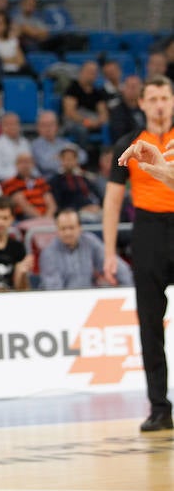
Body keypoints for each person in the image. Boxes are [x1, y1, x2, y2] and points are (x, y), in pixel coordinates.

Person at [103, 74, 174, 433]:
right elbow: (113, 202)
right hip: (147, 231)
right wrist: (110, 251)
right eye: (154, 98)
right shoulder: (129, 143)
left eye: (165, 97)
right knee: (150, 325)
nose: (160, 104)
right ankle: (160, 407)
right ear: (142, 103)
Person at [41, 209, 133, 291]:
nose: (67, 233)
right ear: (57, 230)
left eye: (71, 228)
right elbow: (53, 289)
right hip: (63, 302)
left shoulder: (89, 241)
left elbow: (116, 266)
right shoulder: (49, 252)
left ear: (79, 228)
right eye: (63, 229)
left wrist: (129, 288)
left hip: (89, 296)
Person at [49, 144, 103, 222]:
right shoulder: (56, 180)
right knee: (89, 219)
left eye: (72, 159)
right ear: (61, 160)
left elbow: (97, 194)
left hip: (91, 209)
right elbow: (59, 204)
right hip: (72, 213)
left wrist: (98, 206)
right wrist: (80, 209)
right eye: (66, 159)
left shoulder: (83, 177)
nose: (69, 162)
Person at [2, 151, 57, 221]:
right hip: (23, 219)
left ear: (33, 164)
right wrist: (41, 220)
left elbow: (51, 204)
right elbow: (23, 205)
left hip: (46, 218)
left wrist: (47, 218)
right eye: (21, 162)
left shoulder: (41, 182)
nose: (25, 165)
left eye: (28, 162)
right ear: (16, 164)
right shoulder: (10, 183)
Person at [31, 110, 86, 178]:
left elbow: (83, 156)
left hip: (70, 178)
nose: (48, 128)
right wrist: (70, 160)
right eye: (44, 125)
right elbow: (45, 164)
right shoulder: (35, 146)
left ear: (57, 126)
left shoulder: (63, 142)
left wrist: (59, 158)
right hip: (50, 181)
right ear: (38, 127)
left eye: (51, 124)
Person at [0, 112, 32, 182]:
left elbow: (31, 165)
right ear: (1, 127)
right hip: (6, 183)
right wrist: (18, 175)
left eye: (15, 124)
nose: (13, 127)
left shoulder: (25, 143)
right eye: (9, 124)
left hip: (27, 181)